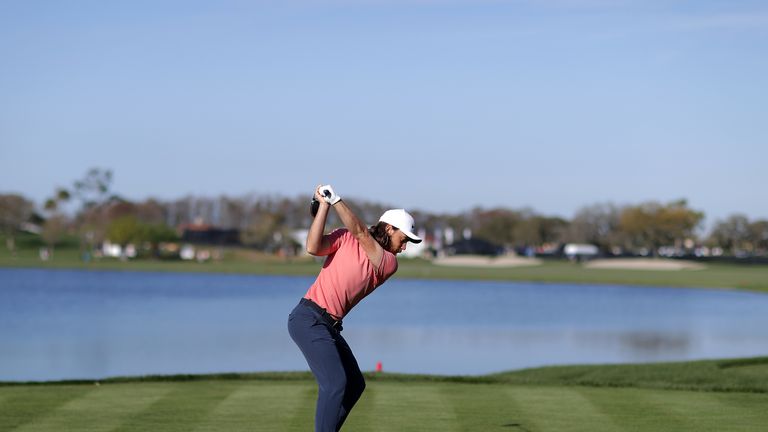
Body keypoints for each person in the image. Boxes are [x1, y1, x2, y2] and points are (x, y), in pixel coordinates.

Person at [288, 184, 422, 432]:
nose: (404, 248)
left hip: (328, 326)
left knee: (354, 384)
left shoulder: (388, 263)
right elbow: (313, 247)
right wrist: (325, 207)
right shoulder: (344, 236)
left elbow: (361, 233)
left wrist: (336, 199)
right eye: (403, 240)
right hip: (307, 318)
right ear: (389, 228)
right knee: (336, 383)